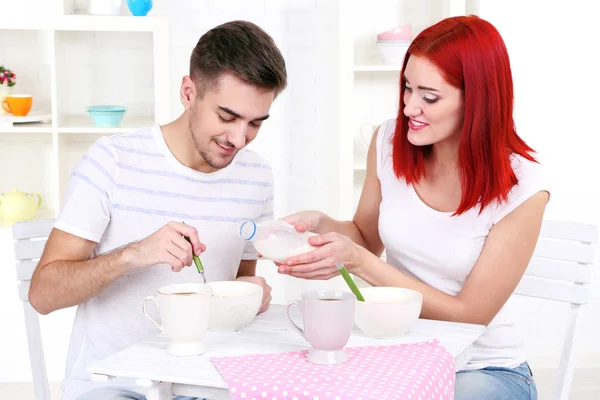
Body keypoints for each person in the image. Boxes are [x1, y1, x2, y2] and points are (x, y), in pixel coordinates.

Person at [279, 15, 547, 400]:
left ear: (478, 99)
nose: (409, 107)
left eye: (429, 96)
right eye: (407, 88)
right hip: (399, 354)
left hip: (484, 369)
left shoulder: (522, 186)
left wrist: (362, 263)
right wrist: (324, 226)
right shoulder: (389, 142)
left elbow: (471, 314)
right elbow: (366, 239)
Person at [29, 20, 287, 400]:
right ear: (188, 91)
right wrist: (132, 254)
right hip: (113, 383)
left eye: (255, 124)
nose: (238, 139)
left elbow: (234, 284)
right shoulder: (112, 160)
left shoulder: (257, 176)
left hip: (204, 381)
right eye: (227, 117)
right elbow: (43, 294)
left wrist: (249, 295)